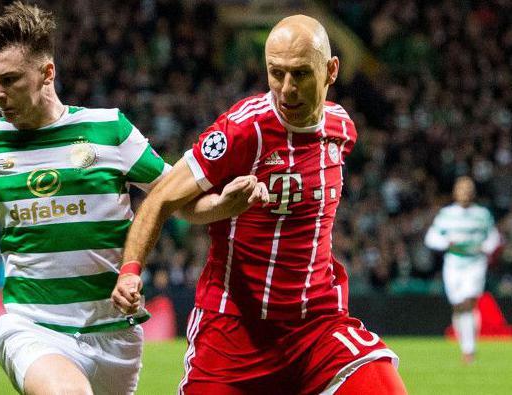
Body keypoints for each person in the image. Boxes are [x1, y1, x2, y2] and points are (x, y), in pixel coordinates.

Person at [0, 3, 266, 395]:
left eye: (10, 80)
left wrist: (224, 205)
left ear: (47, 73)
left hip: (114, 333)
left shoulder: (109, 130)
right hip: (33, 325)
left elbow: (174, 199)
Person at [112, 15, 407, 394]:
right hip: (235, 332)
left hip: (316, 327)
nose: (286, 90)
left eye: (300, 74)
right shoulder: (243, 129)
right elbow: (163, 197)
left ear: (331, 70)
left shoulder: (341, 129)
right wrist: (131, 270)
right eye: (276, 73)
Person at [424, 176, 501, 364]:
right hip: (453, 263)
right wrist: (446, 243)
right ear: (455, 192)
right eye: (462, 188)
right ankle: (466, 344)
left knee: (468, 302)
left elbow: (493, 237)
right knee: (459, 305)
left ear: (473, 192)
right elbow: (431, 237)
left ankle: (469, 350)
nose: (465, 192)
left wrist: (487, 246)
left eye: (469, 188)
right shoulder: (447, 214)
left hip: (475, 263)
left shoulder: (482, 214)